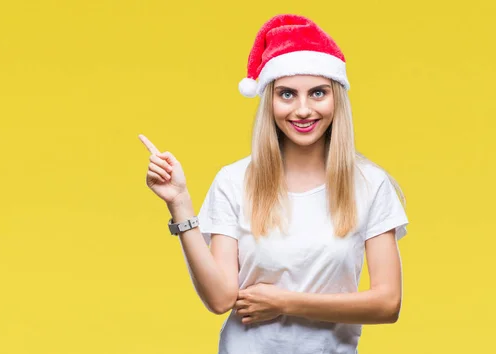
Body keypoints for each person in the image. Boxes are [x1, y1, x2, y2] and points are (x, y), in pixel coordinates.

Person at [138, 13, 409, 354]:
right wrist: (179, 203)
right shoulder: (234, 181)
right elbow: (221, 299)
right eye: (287, 95)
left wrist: (285, 303)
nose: (303, 109)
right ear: (270, 101)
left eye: (318, 93)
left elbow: (387, 303)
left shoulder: (370, 184)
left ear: (336, 98)